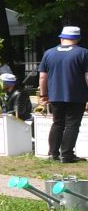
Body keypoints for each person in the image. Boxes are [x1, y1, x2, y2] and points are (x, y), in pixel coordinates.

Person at [36, 24, 88, 163]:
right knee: (72, 124)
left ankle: (52, 153)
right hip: (77, 95)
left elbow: (42, 76)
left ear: (62, 38)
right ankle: (67, 154)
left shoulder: (49, 53)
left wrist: (43, 94)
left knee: (57, 123)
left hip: (55, 95)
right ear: (77, 39)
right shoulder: (83, 53)